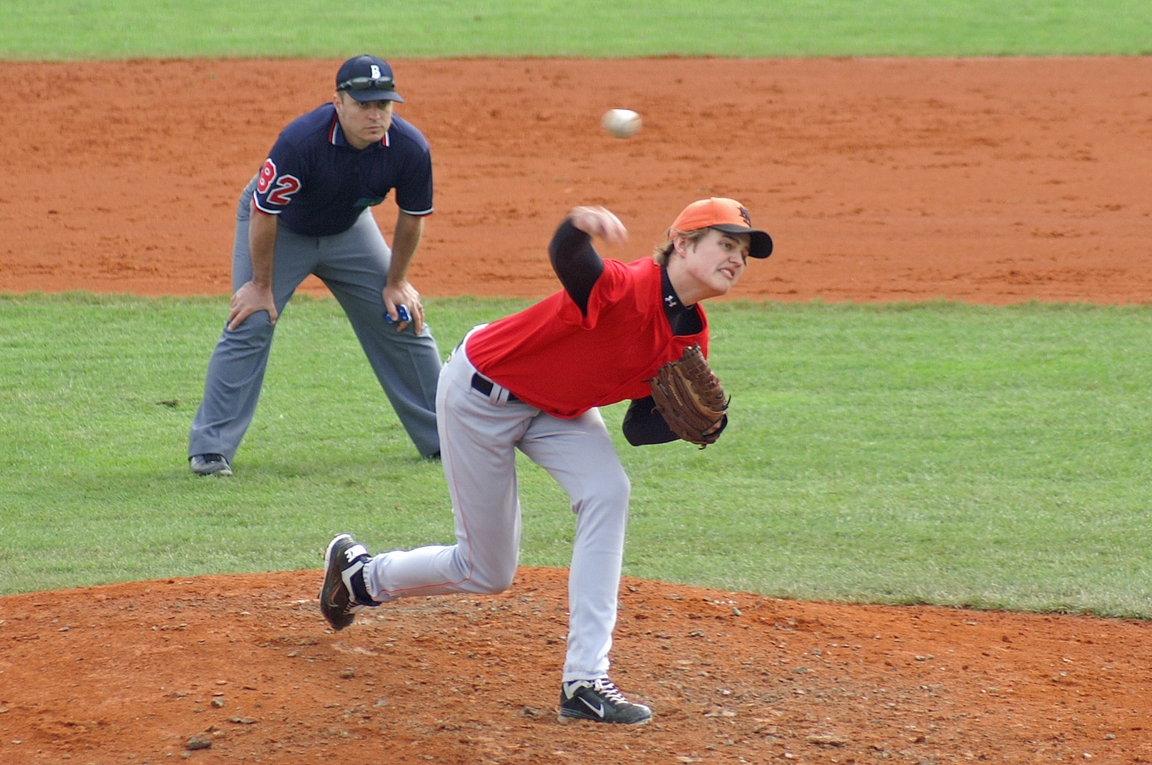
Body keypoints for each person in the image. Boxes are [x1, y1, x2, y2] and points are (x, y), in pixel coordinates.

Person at [319, 198, 773, 724]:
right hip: (482, 396)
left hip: (558, 411)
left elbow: (639, 428)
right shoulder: (627, 285)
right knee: (486, 572)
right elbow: (572, 261)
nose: (736, 259)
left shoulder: (691, 336)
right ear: (682, 244)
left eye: (743, 252)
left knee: (608, 491)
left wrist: (707, 427)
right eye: (726, 244)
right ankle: (361, 578)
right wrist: (576, 226)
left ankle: (585, 680)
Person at [188, 54, 442, 476]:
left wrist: (396, 281)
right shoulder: (301, 141)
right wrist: (261, 285)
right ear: (338, 102)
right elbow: (264, 212)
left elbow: (412, 217)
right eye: (363, 104)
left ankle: (445, 438)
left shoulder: (409, 148)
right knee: (252, 318)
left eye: (383, 104)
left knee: (401, 315)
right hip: (281, 229)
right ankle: (210, 448)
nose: (375, 115)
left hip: (348, 230)